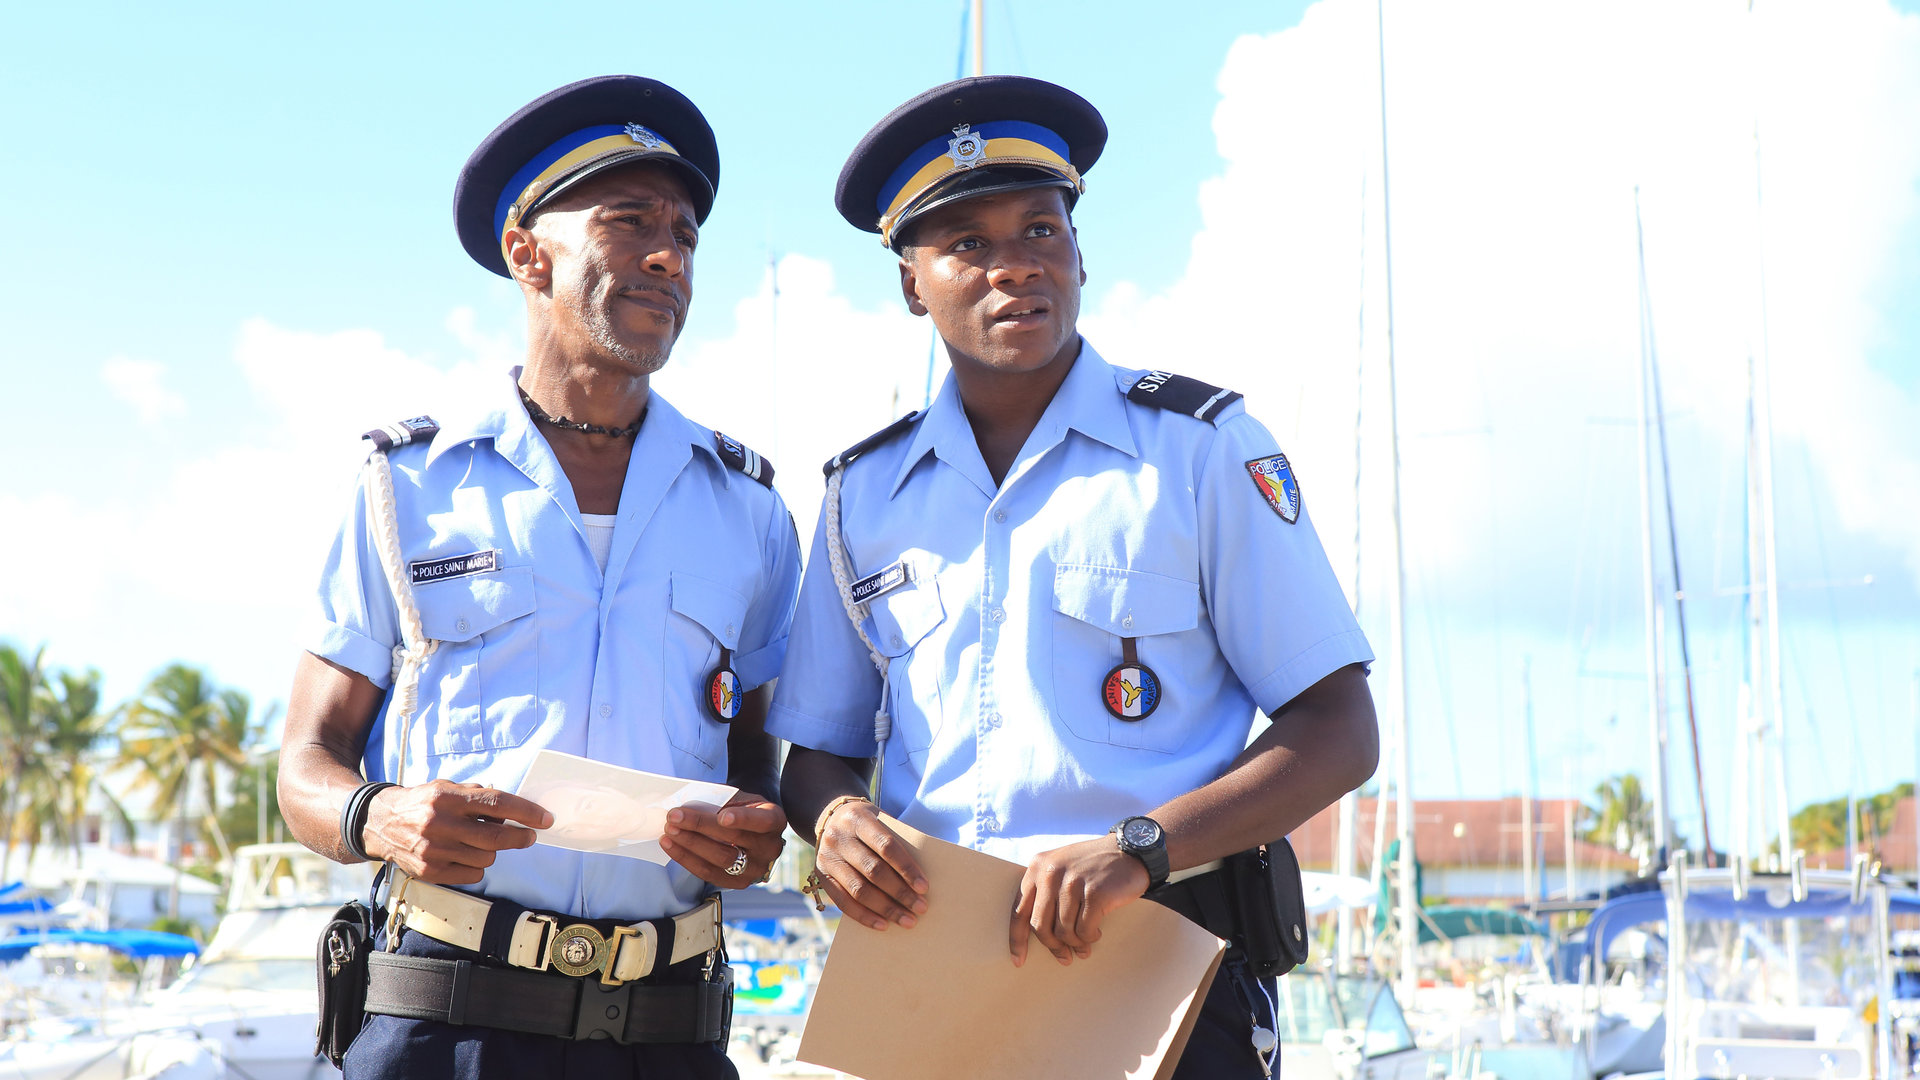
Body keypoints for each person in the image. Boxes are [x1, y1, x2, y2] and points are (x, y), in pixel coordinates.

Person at [768, 76, 1380, 1078]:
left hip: (1163, 974)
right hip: (935, 983)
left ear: (1081, 255)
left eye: (1040, 232)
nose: (1014, 267)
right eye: (968, 244)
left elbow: (1340, 730)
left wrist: (1142, 846)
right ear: (913, 283)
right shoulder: (862, 494)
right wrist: (836, 821)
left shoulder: (1200, 451)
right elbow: (815, 755)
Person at [278, 75, 800, 1080]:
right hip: (444, 1025)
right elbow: (305, 758)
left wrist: (748, 841)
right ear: (528, 252)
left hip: (671, 1036)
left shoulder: (750, 511)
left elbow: (758, 782)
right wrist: (378, 816)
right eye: (628, 221)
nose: (667, 255)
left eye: (685, 234)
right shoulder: (407, 485)